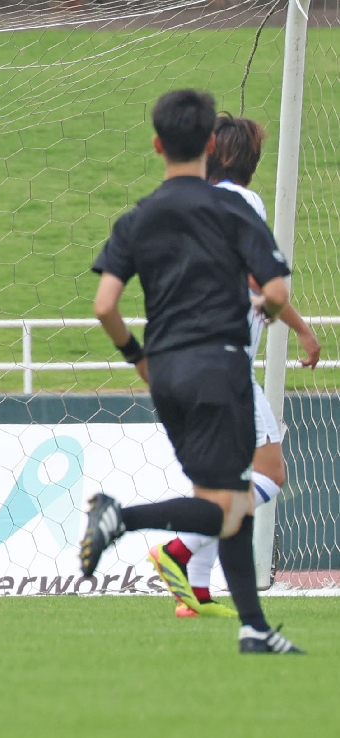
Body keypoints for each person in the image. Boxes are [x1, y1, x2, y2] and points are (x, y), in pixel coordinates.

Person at [83, 89, 302, 654]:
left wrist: (139, 359)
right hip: (220, 366)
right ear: (210, 146)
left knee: (227, 498)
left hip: (167, 374)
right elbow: (273, 289)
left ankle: (250, 626)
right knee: (230, 501)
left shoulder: (139, 216)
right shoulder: (231, 208)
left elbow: (105, 304)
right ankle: (122, 519)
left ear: (157, 145)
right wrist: (271, 314)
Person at [147, 113, 321, 618]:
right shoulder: (243, 202)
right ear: (251, 162)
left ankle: (193, 594)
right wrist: (300, 326)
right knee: (271, 472)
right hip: (223, 363)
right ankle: (177, 551)